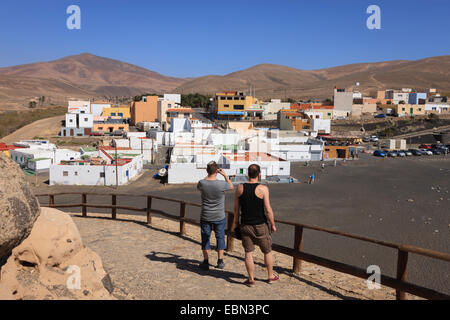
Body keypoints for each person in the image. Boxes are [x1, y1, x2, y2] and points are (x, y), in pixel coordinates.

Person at [232, 164, 278, 286]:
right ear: (259, 174)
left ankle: (251, 278)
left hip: (245, 224)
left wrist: (235, 224)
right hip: (260, 225)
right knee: (267, 251)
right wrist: (272, 224)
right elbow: (268, 210)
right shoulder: (263, 189)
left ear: (248, 174)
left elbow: (236, 209)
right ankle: (270, 276)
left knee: (248, 252)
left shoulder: (240, 188)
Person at [197, 161, 234, 270]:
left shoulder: (202, 183)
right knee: (220, 237)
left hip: (206, 215)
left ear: (207, 171)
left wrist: (208, 174)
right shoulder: (222, 184)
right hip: (219, 215)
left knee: (205, 238)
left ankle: (206, 261)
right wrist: (225, 175)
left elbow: (201, 184)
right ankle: (220, 261)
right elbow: (231, 186)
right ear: (217, 171)